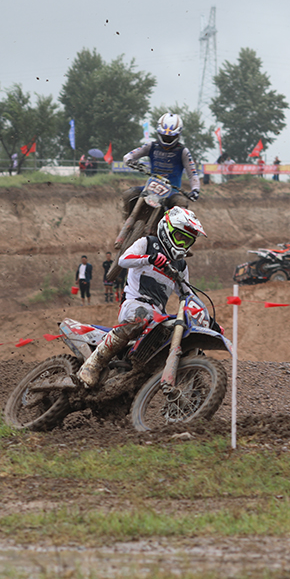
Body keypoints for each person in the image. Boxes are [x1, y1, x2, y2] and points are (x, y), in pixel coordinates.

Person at [76, 207, 206, 388]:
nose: (183, 243)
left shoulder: (181, 265)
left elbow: (187, 294)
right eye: (179, 237)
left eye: (187, 240)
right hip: (134, 304)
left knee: (181, 334)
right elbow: (123, 260)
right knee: (141, 317)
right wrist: (149, 259)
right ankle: (93, 364)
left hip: (158, 316)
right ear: (167, 230)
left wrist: (206, 319)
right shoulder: (148, 243)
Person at [121, 113, 201, 217]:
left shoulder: (183, 151)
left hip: (172, 191)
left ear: (178, 135)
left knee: (181, 203)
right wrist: (130, 161)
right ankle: (127, 219)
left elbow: (192, 174)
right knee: (128, 194)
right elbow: (128, 156)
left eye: (170, 137)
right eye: (164, 136)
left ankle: (173, 227)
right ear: (159, 132)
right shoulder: (151, 146)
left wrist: (195, 190)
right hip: (150, 188)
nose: (167, 139)